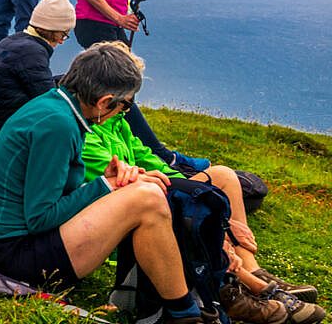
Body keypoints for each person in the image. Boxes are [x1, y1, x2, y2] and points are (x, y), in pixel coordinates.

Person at [81, 44, 325, 324]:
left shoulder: (115, 122)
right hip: (120, 217)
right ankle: (237, 285)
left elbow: (149, 158)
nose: (129, 107)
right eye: (126, 99)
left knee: (223, 176)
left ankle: (253, 272)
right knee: (193, 207)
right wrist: (207, 211)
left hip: (145, 191)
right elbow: (122, 183)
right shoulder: (87, 133)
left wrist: (202, 195)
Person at [0, 45, 207, 324]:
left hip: (18, 244)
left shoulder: (56, 106)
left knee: (141, 193)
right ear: (104, 102)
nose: (124, 111)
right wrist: (104, 185)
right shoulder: (58, 125)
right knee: (146, 198)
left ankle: (168, 305)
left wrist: (110, 180)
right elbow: (40, 217)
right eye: (125, 105)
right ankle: (183, 312)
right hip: (16, 258)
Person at [68, 0, 213, 178]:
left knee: (120, 88)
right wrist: (119, 17)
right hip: (96, 24)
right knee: (122, 90)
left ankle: (133, 144)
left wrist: (123, 14)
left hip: (108, 22)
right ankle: (162, 155)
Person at [0, 0, 74, 144]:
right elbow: (49, 99)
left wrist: (70, 79)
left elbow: (33, 82)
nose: (62, 41)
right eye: (63, 34)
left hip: (3, 124)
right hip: (16, 133)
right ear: (52, 29)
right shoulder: (32, 52)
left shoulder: (12, 41)